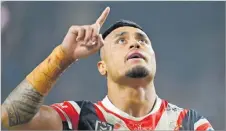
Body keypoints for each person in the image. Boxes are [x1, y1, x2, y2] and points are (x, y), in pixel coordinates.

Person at [1, 7, 213, 130]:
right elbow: (11, 118)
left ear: (154, 58)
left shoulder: (188, 124)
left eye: (142, 40)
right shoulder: (79, 117)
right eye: (121, 41)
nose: (135, 43)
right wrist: (62, 56)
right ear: (102, 67)